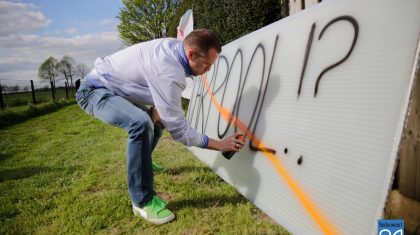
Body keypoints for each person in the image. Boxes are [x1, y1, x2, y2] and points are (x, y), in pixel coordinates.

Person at [76, 29, 245, 225]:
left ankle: (143, 162)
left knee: (156, 125)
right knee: (140, 123)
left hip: (116, 88)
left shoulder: (175, 48)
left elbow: (153, 79)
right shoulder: (169, 71)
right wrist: (220, 145)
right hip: (94, 90)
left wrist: (158, 108)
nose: (207, 71)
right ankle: (142, 201)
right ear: (191, 54)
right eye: (206, 65)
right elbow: (181, 132)